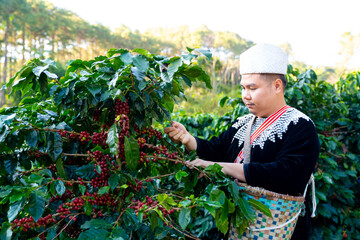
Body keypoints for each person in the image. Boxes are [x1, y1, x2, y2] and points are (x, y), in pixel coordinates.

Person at [164, 43, 319, 240]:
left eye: (252, 88)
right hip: (239, 227)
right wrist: (189, 140)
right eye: (243, 88)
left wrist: (219, 167)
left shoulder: (299, 125)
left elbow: (287, 174)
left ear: (277, 86)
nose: (245, 95)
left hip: (278, 230)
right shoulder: (243, 123)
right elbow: (215, 149)